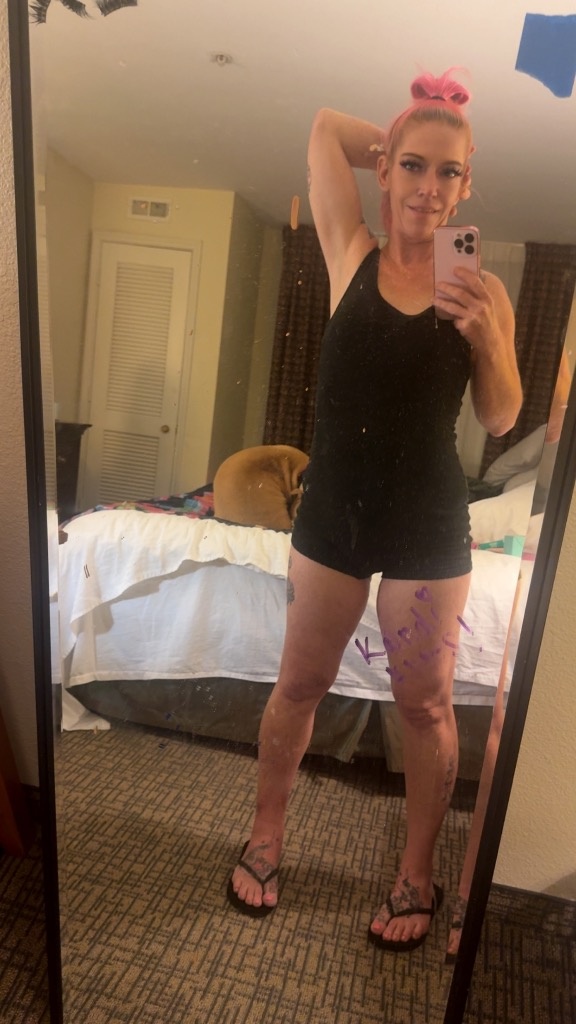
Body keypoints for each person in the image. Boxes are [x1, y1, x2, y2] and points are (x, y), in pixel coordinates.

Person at [228, 69, 522, 954]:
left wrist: (487, 337)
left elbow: (500, 419)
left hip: (429, 522)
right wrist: (414, 128)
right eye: (413, 166)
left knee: (424, 706)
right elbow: (325, 126)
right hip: (336, 513)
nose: (429, 189)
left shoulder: (481, 286)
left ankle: (416, 873)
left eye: (449, 173)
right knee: (299, 684)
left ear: (466, 186)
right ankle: (266, 835)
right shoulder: (348, 251)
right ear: (386, 170)